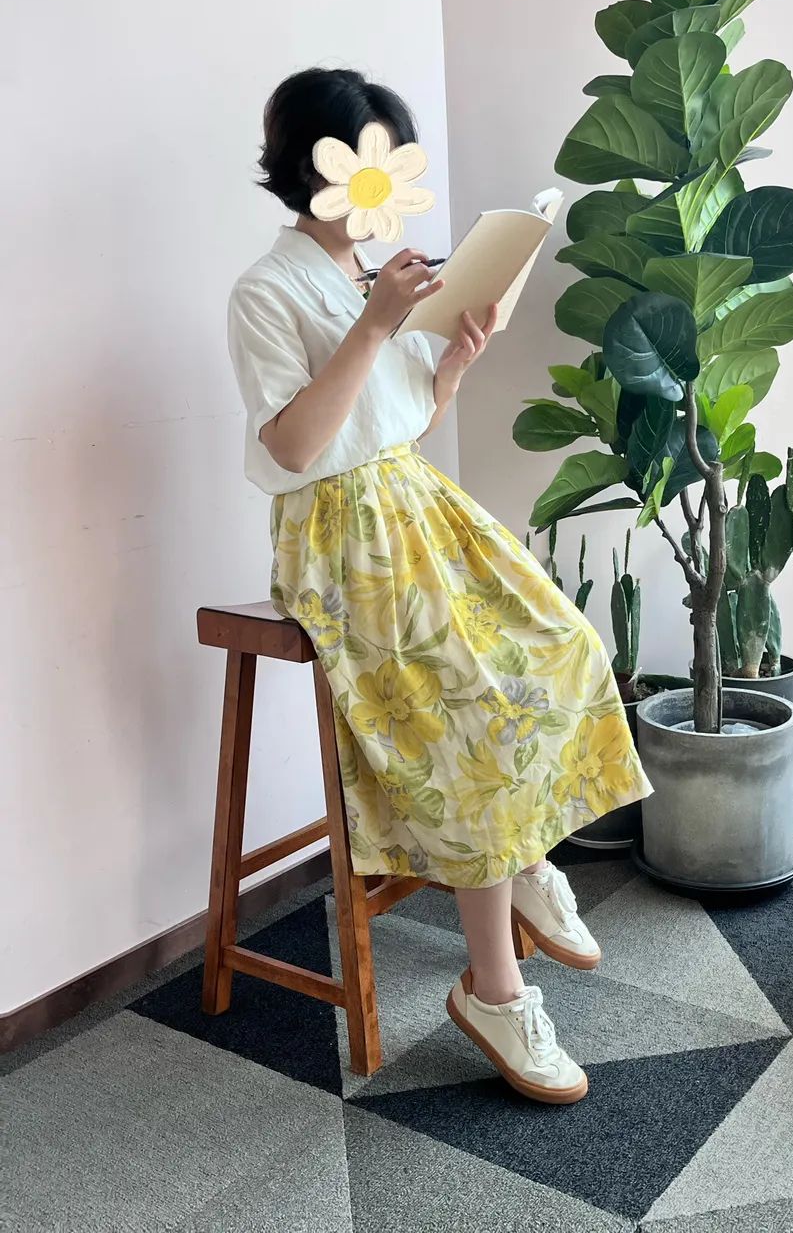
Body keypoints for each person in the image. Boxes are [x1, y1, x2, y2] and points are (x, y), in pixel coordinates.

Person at [227, 67, 652, 1105]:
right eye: (362, 161)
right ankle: (495, 994)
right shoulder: (267, 291)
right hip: (339, 535)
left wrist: (456, 358)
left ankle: (526, 857)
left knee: (563, 643)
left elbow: (402, 419)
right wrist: (375, 326)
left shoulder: (384, 277)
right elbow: (295, 447)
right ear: (313, 167)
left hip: (412, 499)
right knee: (474, 708)